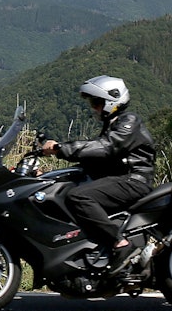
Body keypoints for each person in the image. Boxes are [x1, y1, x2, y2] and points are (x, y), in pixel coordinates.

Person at [41, 75, 156, 270]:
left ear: (113, 100)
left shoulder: (129, 121)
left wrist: (61, 148)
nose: (94, 108)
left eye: (97, 102)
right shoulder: (112, 125)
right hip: (120, 179)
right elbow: (95, 160)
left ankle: (120, 243)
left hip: (134, 180)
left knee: (78, 197)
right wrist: (47, 175)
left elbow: (106, 148)